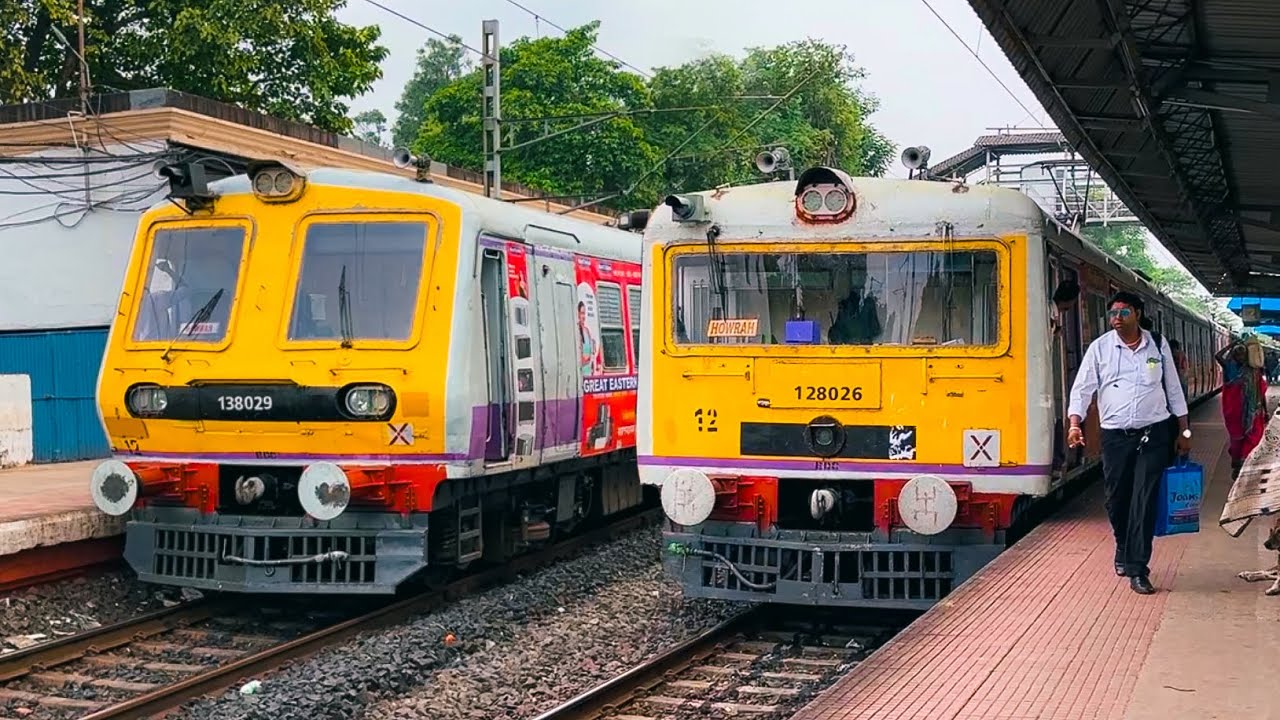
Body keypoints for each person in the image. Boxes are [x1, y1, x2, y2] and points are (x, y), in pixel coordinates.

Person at [1066, 292, 1190, 595]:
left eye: (1123, 313)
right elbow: (1083, 388)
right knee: (1117, 498)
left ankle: (1137, 568)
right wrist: (1074, 424)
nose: (1116, 319)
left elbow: (1173, 390)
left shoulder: (1157, 345)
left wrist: (1184, 433)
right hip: (1115, 437)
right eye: (1113, 314)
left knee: (1144, 501)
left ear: (1137, 313)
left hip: (1155, 433)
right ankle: (1122, 543)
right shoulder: (1100, 348)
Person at [1216, 339, 1268, 479]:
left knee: (1251, 436)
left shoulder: (1253, 370)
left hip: (1251, 412)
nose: (1240, 357)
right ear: (1233, 355)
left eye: (1242, 354)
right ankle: (1239, 463)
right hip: (1235, 411)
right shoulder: (1230, 367)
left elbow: (1260, 393)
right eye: (1237, 354)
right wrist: (1231, 345)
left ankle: (1243, 462)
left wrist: (1265, 410)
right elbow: (1218, 356)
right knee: (1238, 438)